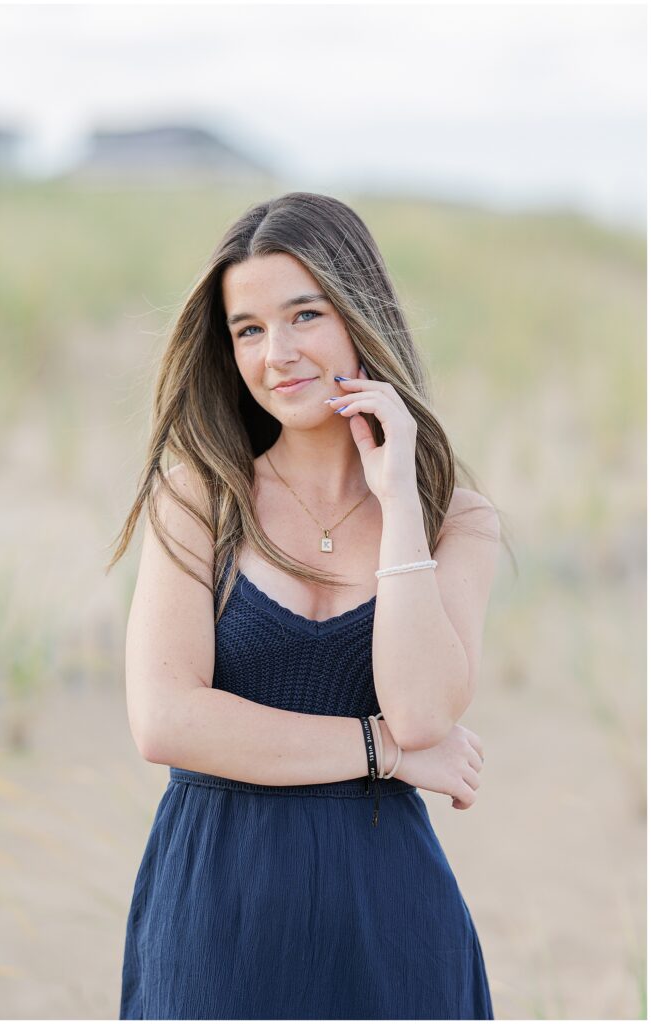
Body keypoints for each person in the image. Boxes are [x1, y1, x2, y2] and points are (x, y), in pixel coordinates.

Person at [107, 191, 508, 1020]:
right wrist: (385, 753)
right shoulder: (199, 498)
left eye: (304, 315)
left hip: (392, 922)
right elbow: (166, 720)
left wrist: (397, 497)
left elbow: (423, 708)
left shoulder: (453, 521)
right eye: (248, 329)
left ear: (360, 314)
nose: (276, 354)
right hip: (216, 916)